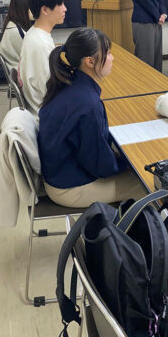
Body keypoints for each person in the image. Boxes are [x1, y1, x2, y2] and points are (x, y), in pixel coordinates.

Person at [38, 28, 144, 208]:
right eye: (108, 53)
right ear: (90, 62)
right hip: (69, 188)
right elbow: (101, 166)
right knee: (148, 184)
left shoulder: (68, 84)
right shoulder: (88, 104)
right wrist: (129, 163)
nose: (112, 58)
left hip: (58, 173)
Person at [20, 0, 67, 113]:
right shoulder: (41, 44)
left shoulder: (34, 33)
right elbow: (51, 90)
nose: (65, 8)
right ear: (45, 10)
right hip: (46, 113)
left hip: (41, 106)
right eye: (60, 4)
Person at [0, 0, 32, 70]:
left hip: (18, 70)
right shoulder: (18, 32)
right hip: (23, 72)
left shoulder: (10, 25)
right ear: (23, 9)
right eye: (30, 7)